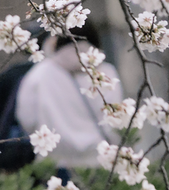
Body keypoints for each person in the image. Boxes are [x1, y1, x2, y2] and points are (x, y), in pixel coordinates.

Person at [10, 22, 118, 177]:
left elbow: (26, 118)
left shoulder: (41, 73)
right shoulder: (108, 73)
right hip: (98, 160)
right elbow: (116, 120)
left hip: (55, 161)